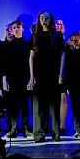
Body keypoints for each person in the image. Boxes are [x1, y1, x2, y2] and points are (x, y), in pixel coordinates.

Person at [28, 10, 65, 142]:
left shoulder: (57, 35)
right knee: (39, 106)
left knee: (54, 106)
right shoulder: (35, 36)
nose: (44, 19)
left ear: (51, 20)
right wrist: (31, 77)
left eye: (47, 17)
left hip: (54, 74)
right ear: (39, 19)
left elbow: (62, 55)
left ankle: (56, 134)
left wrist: (61, 73)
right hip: (39, 75)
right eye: (42, 17)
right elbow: (31, 57)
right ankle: (39, 134)